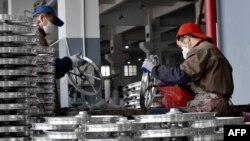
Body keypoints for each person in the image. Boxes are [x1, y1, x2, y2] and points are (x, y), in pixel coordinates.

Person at [142, 22, 235, 117]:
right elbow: (204, 80)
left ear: (187, 39)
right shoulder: (212, 50)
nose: (183, 50)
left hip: (208, 104)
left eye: (182, 46)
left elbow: (181, 75)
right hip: (219, 104)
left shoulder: (200, 50)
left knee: (152, 113)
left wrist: (154, 68)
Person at [33, 5, 80, 79]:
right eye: (52, 21)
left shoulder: (40, 36)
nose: (53, 26)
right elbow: (46, 67)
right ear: (42, 18)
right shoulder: (35, 37)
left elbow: (52, 72)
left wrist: (66, 65)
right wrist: (69, 61)